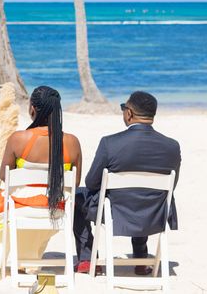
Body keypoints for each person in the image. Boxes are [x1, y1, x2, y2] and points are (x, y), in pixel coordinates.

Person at [0, 86, 82, 279]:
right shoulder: (72, 142)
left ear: (32, 109)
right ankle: (28, 259)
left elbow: (5, 176)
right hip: (57, 209)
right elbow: (75, 182)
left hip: (22, 208)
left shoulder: (18, 138)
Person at [73, 91, 180, 275]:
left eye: (124, 108)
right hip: (154, 211)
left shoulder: (110, 143)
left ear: (129, 113)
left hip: (116, 210)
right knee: (144, 195)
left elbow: (91, 183)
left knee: (77, 196)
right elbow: (172, 186)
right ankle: (141, 259)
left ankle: (87, 259)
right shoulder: (172, 146)